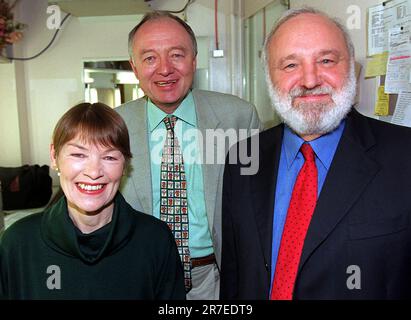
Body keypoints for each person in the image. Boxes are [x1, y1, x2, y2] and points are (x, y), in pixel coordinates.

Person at [220, 7, 411, 300]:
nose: (310, 80)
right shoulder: (243, 159)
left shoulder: (403, 156)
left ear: (351, 67)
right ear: (268, 77)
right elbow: (235, 276)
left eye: (326, 60)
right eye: (290, 65)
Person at [116, 11, 262, 299]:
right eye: (150, 58)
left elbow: (258, 203)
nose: (164, 69)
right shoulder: (113, 126)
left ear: (194, 60)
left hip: (216, 279)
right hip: (139, 278)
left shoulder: (238, 117)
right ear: (134, 67)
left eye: (177, 55)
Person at [0, 102, 185, 300]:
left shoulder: (155, 240)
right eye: (79, 154)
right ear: (54, 156)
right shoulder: (18, 244)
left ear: (125, 164)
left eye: (110, 157)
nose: (94, 172)